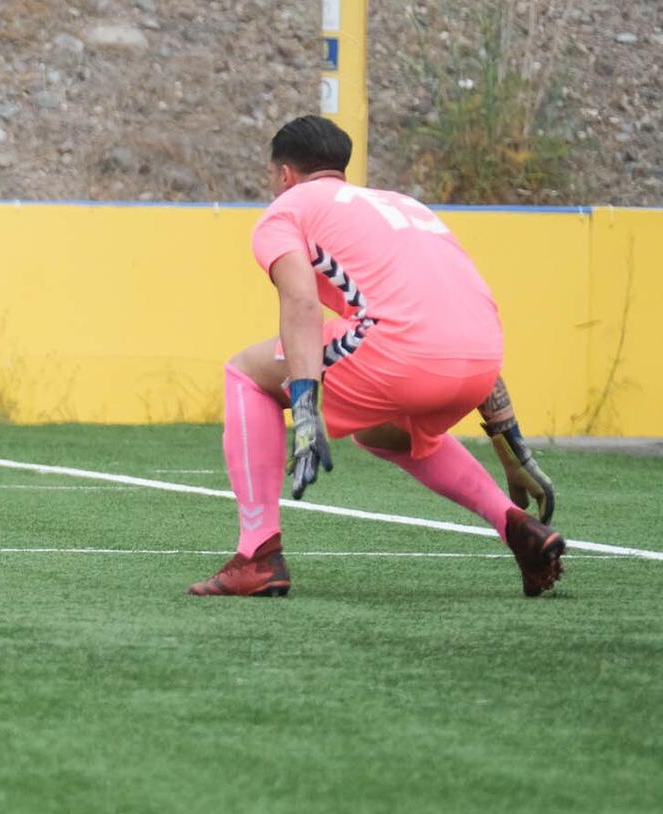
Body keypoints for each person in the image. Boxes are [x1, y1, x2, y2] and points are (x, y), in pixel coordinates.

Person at [192, 115, 562, 598]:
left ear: (283, 174)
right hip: (481, 359)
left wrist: (304, 410)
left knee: (245, 373)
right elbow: (456, 314)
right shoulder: (405, 205)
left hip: (399, 351)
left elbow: (300, 302)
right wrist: (513, 451)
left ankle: (257, 554)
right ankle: (515, 525)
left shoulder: (286, 210)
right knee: (380, 431)